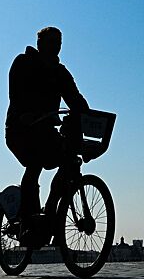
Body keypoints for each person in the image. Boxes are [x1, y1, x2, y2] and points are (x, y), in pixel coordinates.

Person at [5, 26, 89, 245]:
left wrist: (89, 115)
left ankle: (50, 210)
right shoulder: (23, 63)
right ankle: (26, 221)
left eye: (59, 41)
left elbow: (75, 98)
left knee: (69, 160)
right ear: (40, 42)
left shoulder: (60, 72)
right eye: (51, 41)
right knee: (35, 163)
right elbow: (16, 93)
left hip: (45, 131)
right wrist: (24, 113)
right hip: (20, 130)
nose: (56, 45)